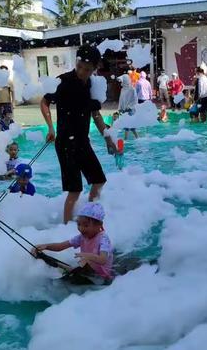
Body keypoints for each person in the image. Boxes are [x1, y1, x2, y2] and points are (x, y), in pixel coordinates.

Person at [40, 44, 117, 223]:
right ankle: (66, 226)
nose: (82, 72)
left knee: (98, 180)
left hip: (82, 141)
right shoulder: (64, 82)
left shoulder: (92, 85)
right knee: (74, 190)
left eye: (87, 69)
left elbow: (95, 113)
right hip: (65, 143)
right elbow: (44, 102)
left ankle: (89, 217)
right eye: (80, 67)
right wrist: (51, 128)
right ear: (76, 62)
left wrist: (107, 137)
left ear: (95, 69)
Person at [33, 202, 114, 286]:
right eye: (78, 224)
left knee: (70, 278)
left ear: (99, 225)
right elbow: (61, 246)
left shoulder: (103, 239)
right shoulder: (82, 237)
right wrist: (46, 246)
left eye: (86, 225)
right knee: (72, 270)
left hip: (101, 278)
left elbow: (103, 260)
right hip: (88, 271)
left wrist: (88, 256)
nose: (81, 228)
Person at [117, 74, 138, 140]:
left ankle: (125, 139)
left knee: (127, 124)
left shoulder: (132, 89)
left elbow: (135, 100)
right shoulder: (123, 89)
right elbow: (121, 99)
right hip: (124, 109)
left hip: (130, 109)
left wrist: (130, 107)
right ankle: (137, 137)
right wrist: (120, 108)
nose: (121, 82)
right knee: (130, 125)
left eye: (122, 81)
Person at [0, 66, 15, 131]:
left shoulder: (9, 81)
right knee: (1, 119)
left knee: (9, 118)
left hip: (7, 103)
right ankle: (1, 131)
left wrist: (13, 103)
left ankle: (11, 131)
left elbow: (13, 92)